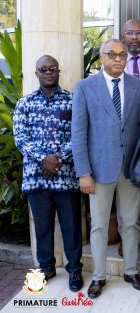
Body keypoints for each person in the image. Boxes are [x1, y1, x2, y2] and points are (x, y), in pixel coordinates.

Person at [72, 39, 140, 299]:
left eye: (122, 55)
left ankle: (130, 270)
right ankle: (99, 276)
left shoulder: (139, 87)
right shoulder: (85, 88)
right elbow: (79, 133)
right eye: (112, 54)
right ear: (102, 58)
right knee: (99, 225)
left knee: (131, 224)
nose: (118, 59)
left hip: (131, 170)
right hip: (99, 169)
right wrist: (83, 172)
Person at [13, 55, 83, 292]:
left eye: (52, 68)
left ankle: (74, 270)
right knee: (42, 226)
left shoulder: (73, 102)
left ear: (58, 71)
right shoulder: (25, 103)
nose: (48, 72)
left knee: (71, 225)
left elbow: (79, 136)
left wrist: (58, 159)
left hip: (66, 178)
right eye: (43, 69)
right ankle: (46, 267)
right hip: (36, 177)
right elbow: (21, 138)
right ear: (36, 74)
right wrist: (44, 159)